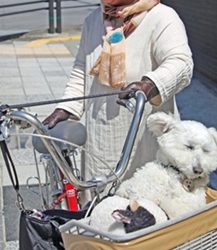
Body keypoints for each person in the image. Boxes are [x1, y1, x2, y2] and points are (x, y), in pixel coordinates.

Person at [42, 0, 194, 200]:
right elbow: (82, 70)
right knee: (100, 207)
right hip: (100, 134)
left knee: (145, 210)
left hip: (143, 137)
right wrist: (66, 108)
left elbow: (181, 62)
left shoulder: (162, 17)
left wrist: (150, 84)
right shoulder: (94, 20)